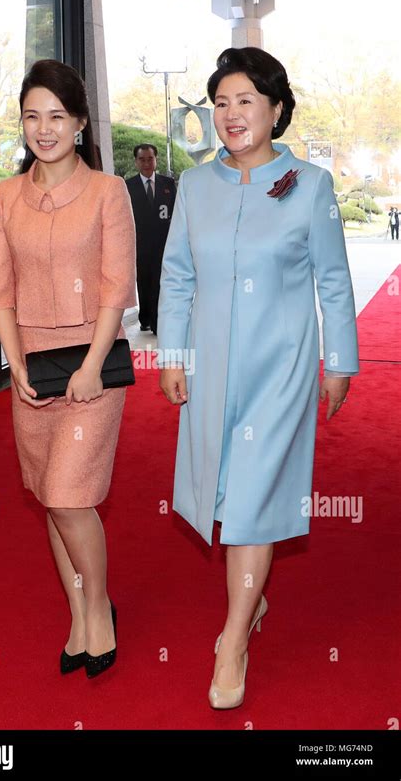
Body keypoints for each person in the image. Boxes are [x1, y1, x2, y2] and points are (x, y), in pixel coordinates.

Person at [157, 47, 359, 710]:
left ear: (276, 109)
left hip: (283, 366)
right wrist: (175, 355)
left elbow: (332, 280)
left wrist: (340, 363)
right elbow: (178, 275)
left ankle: (234, 638)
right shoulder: (195, 186)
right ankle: (253, 596)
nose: (231, 114)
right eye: (221, 102)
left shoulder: (312, 185)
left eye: (246, 101)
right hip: (212, 364)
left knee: (250, 504)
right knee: (222, 491)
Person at [0, 59, 137, 679]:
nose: (43, 129)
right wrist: (14, 365)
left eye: (56, 116)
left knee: (71, 496)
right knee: (51, 498)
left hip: (91, 365)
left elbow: (114, 287)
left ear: (78, 123)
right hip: (30, 371)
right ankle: (78, 610)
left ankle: (99, 608)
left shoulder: (107, 192)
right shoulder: (4, 196)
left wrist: (95, 364)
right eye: (31, 116)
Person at [125, 144, 176, 333]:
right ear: (136, 161)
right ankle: (145, 317)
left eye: (150, 158)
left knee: (159, 283)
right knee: (144, 283)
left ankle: (156, 322)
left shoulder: (168, 184)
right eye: (142, 159)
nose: (146, 163)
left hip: (164, 245)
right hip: (139, 246)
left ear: (156, 160)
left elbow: (176, 214)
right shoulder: (127, 186)